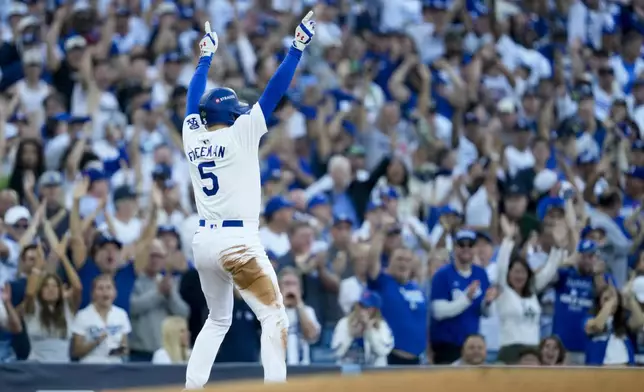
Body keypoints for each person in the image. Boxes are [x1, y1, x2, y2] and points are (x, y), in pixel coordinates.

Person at [181, 14, 316, 389]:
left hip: (204, 242)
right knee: (275, 318)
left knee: (217, 319)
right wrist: (297, 47)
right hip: (238, 242)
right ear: (229, 114)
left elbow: (193, 99)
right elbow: (274, 91)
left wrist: (205, 57)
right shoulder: (241, 132)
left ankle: (192, 388)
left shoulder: (192, 135)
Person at [431, 230, 494, 364]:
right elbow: (438, 311)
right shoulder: (442, 275)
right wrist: (466, 299)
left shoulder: (481, 274)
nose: (466, 248)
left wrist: (488, 303)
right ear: (454, 248)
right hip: (447, 344)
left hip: (472, 346)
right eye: (461, 244)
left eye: (470, 245)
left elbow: (485, 313)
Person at [70, 275, 131, 364]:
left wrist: (114, 351)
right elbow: (76, 351)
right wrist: (96, 342)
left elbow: (125, 348)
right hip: (90, 366)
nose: (105, 292)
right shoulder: (82, 315)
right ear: (93, 293)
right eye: (100, 288)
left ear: (115, 292)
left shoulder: (121, 314)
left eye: (109, 288)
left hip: (115, 366)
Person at [331, 290, 393, 366]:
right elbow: (336, 353)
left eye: (366, 307)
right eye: (360, 305)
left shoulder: (382, 326)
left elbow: (383, 351)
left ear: (374, 310)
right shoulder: (344, 323)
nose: (362, 310)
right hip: (348, 373)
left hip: (374, 373)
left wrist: (370, 331)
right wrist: (351, 335)